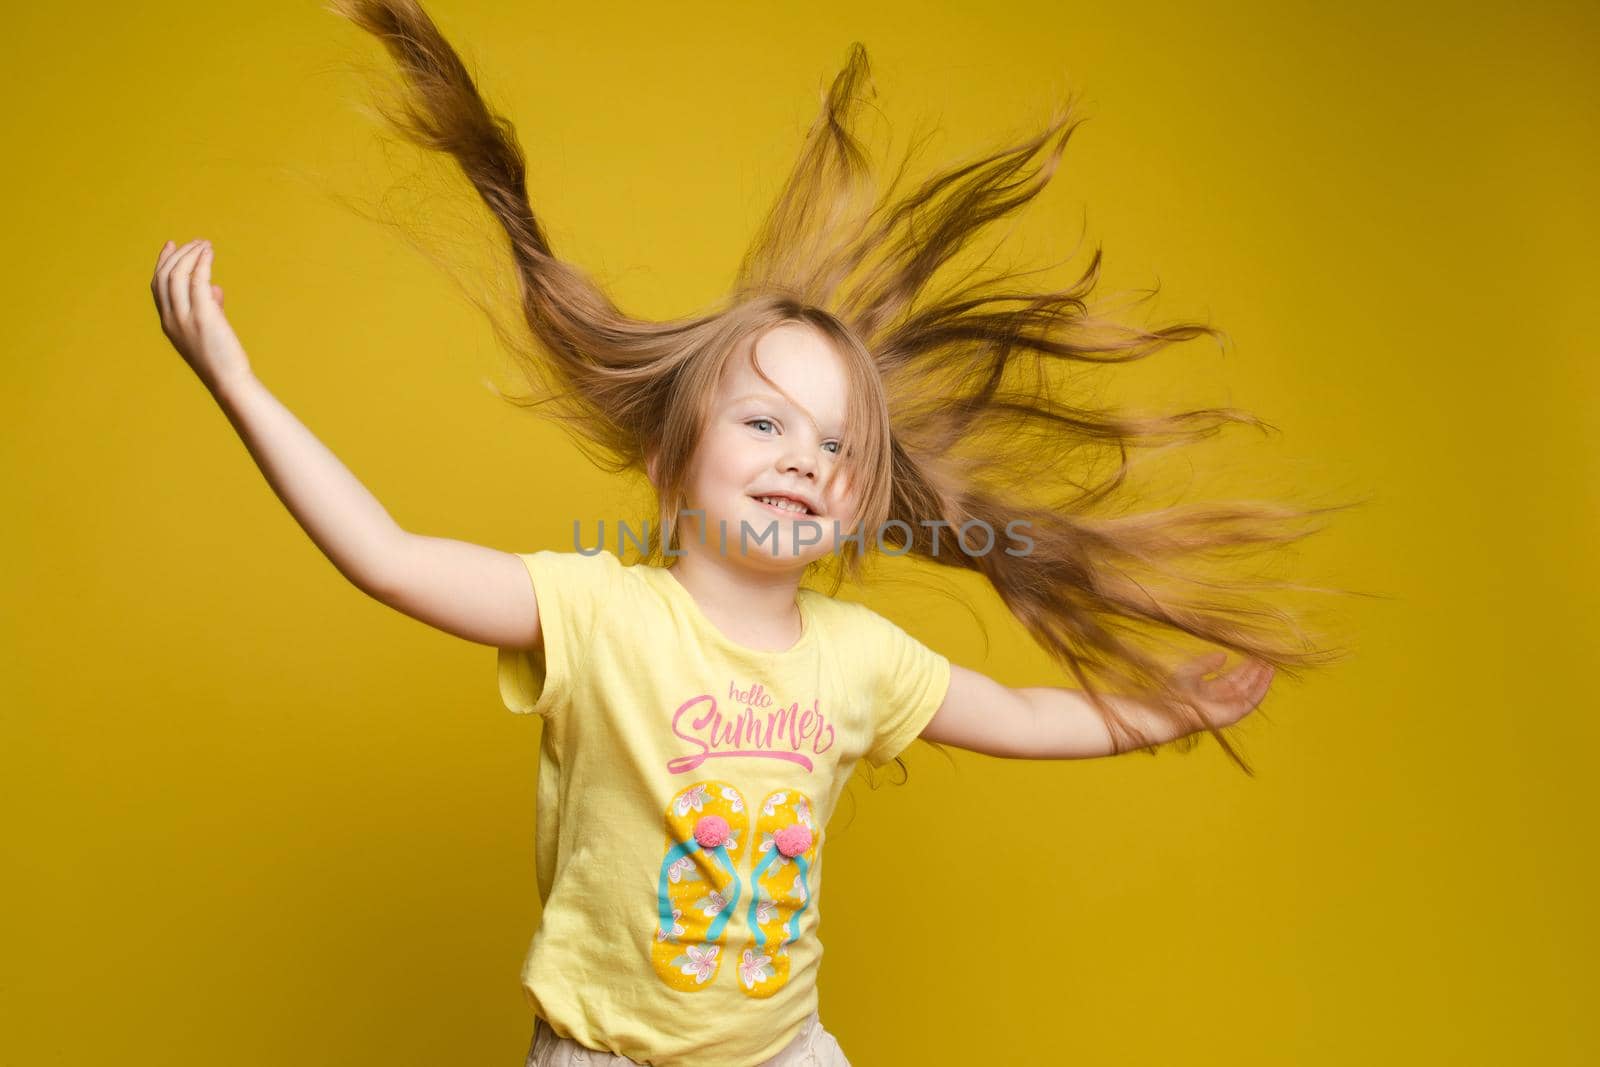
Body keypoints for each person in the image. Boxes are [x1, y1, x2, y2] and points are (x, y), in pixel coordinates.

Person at [150, 2, 1358, 1063]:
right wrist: (240, 387)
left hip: (783, 1050)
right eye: (767, 421)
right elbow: (389, 558)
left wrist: (1172, 710)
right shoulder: (598, 613)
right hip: (605, 1054)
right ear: (674, 457)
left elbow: (1031, 718)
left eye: (835, 446)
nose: (802, 457)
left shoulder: (858, 657)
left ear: (855, 503)